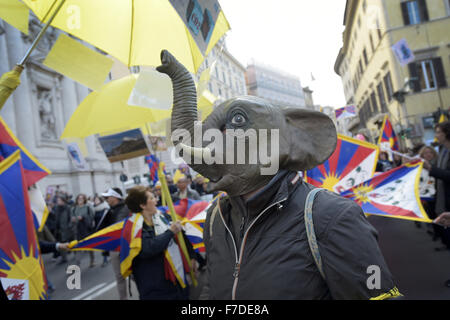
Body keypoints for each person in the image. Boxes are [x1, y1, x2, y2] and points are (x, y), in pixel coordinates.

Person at [124, 186, 200, 300]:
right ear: (142, 205)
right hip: (155, 288)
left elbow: (181, 237)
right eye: (151, 198)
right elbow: (148, 248)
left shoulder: (163, 216)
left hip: (176, 282)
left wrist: (192, 256)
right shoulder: (133, 227)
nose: (156, 200)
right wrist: (170, 232)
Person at [423, 122, 450, 257]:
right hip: (444, 198)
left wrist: (431, 169)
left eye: (439, 132)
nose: (436, 135)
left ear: (446, 133)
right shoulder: (443, 151)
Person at [100, 187, 130, 300]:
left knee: (133, 274)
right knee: (119, 276)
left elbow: (119, 225)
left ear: (115, 197)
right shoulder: (108, 211)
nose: (106, 199)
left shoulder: (126, 208)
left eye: (108, 197)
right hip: (114, 248)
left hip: (126, 246)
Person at [71, 194, 96, 268]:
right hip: (77, 230)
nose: (80, 200)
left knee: (89, 245)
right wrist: (74, 219)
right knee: (77, 246)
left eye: (81, 199)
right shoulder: (74, 208)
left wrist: (83, 218)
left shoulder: (88, 207)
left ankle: (92, 261)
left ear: (84, 199)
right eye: (79, 199)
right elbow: (71, 218)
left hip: (86, 229)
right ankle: (77, 263)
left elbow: (91, 217)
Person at [53, 195, 73, 264]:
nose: (58, 202)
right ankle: (64, 258)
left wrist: (69, 226)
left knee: (65, 242)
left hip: (65, 229)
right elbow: (54, 217)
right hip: (58, 229)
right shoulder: (56, 208)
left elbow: (70, 217)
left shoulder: (68, 208)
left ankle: (70, 255)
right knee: (60, 242)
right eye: (57, 200)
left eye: (59, 200)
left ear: (63, 201)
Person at [93, 195, 110, 267]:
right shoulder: (93, 209)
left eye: (97, 200)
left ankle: (105, 259)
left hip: (105, 229)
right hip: (98, 229)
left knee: (105, 245)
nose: (95, 201)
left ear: (100, 200)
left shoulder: (105, 208)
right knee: (102, 245)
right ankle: (107, 256)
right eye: (95, 200)